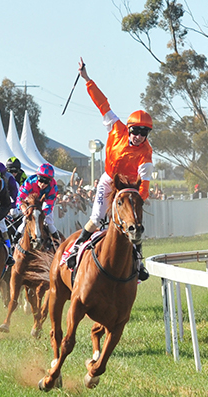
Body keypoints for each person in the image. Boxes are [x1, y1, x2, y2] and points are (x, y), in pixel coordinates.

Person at [65, 58, 152, 281]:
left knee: (136, 224)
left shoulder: (147, 151)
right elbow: (102, 103)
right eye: (136, 131)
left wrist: (138, 198)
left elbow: (146, 183)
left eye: (144, 133)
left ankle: (139, 263)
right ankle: (75, 249)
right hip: (108, 181)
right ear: (129, 128)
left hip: (130, 189)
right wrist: (86, 79)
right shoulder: (116, 127)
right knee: (96, 219)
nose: (139, 136)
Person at [17, 163, 61, 241]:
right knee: (24, 221)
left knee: (49, 222)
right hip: (31, 203)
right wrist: (23, 207)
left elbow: (50, 205)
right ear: (37, 177)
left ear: (50, 181)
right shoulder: (30, 182)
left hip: (44, 203)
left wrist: (42, 214)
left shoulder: (53, 187)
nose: (43, 184)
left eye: (46, 181)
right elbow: (20, 197)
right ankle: (14, 241)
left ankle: (58, 242)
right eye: (41, 179)